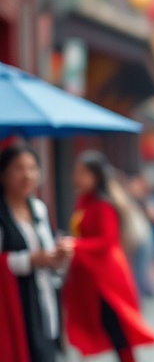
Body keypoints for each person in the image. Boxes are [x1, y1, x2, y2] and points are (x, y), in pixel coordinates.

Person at [62, 150, 154, 362]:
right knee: (93, 323)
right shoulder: (84, 201)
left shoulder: (103, 204)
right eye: (75, 172)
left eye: (82, 173)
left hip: (106, 277)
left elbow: (108, 240)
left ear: (95, 176)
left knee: (115, 324)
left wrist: (75, 245)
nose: (76, 177)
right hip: (88, 274)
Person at [0, 144, 69, 362]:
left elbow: (49, 253)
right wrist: (30, 260)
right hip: (12, 304)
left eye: (32, 167)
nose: (27, 175)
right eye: (19, 168)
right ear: (3, 174)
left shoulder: (39, 208)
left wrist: (58, 257)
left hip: (43, 299)